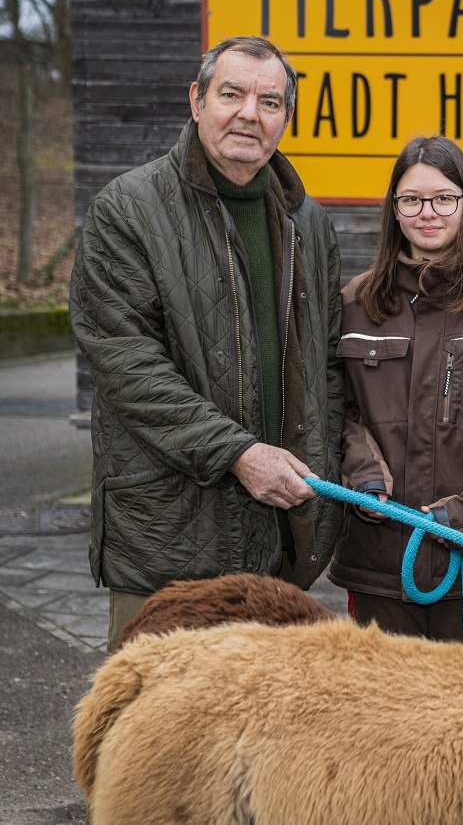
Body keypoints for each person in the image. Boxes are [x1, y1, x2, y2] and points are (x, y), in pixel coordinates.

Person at [69, 36, 344, 651]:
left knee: (253, 735)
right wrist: (240, 454)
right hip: (169, 535)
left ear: (285, 117)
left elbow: (326, 369)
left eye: (269, 100)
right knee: (147, 731)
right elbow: (128, 366)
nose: (250, 113)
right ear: (196, 101)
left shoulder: (309, 223)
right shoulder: (128, 211)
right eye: (232, 94)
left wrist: (320, 489)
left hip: (276, 542)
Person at [329, 136, 463, 644]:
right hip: (379, 563)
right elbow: (332, 408)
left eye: (444, 198)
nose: (428, 213)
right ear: (393, 210)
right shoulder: (355, 306)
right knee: (384, 720)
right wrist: (363, 477)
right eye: (412, 200)